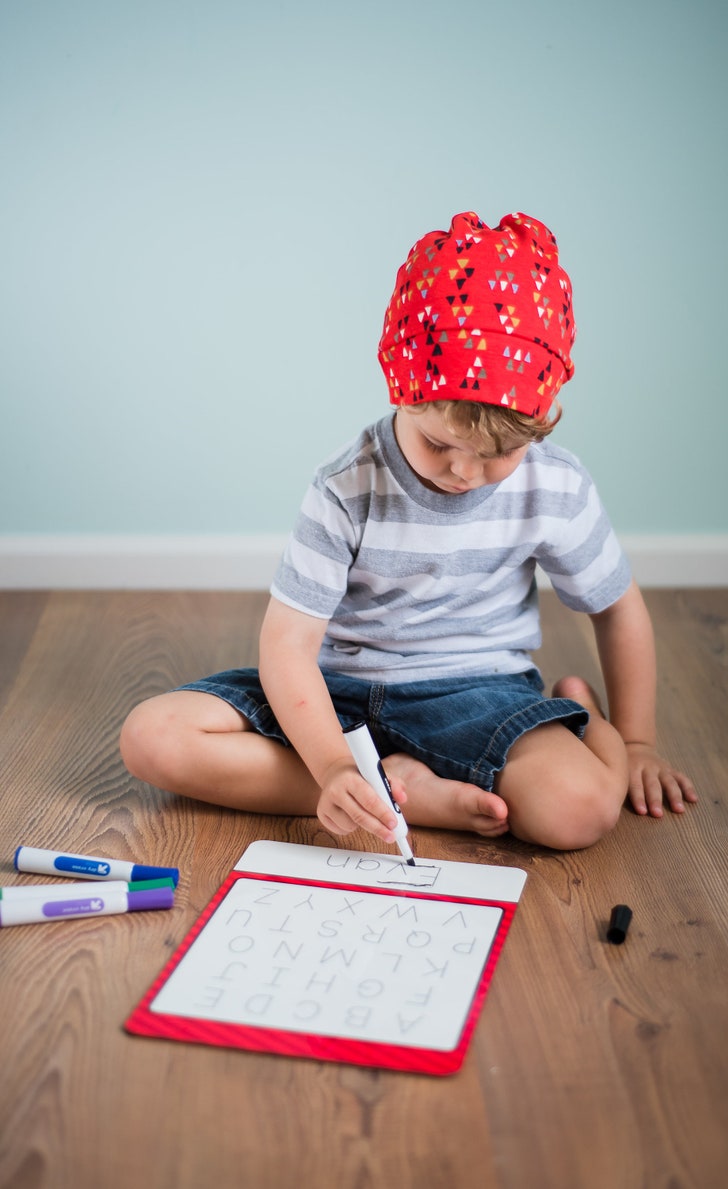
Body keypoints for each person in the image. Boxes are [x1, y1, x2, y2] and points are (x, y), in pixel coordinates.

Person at [121, 210, 696, 852]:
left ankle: (587, 738)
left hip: (479, 696)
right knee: (153, 738)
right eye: (438, 443)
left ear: (545, 414)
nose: (463, 472)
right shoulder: (345, 486)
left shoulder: (554, 485)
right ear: (402, 386)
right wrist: (334, 765)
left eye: (495, 455)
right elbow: (286, 648)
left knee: (581, 812)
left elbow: (618, 610)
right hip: (333, 693)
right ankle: (401, 798)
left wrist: (639, 741)